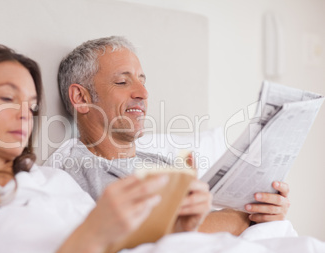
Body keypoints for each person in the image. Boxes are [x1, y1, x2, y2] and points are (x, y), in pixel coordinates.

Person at [0, 44, 212, 253]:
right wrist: (94, 233)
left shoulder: (53, 179)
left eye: (33, 106)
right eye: (8, 99)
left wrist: (178, 231)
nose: (25, 115)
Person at [44, 36, 291, 232]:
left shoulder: (160, 162)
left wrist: (265, 212)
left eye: (142, 80)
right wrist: (245, 218)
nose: (143, 93)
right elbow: (158, 234)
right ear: (81, 97)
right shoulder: (80, 173)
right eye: (122, 82)